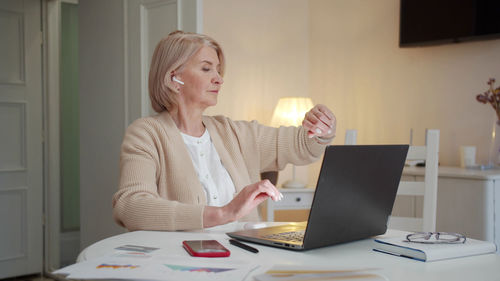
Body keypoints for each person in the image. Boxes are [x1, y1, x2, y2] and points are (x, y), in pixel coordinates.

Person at [112, 30, 336, 231]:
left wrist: (322, 128)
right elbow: (131, 206)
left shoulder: (232, 132)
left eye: (218, 70)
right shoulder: (146, 133)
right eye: (206, 68)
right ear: (174, 78)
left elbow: (300, 144)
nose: (219, 79)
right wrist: (223, 214)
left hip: (244, 260)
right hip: (182, 265)